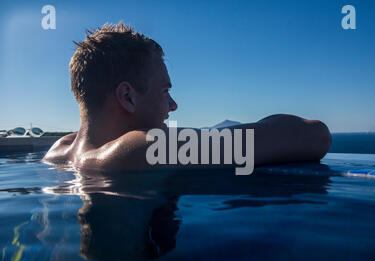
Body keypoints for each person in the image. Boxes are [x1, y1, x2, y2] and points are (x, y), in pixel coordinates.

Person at [43, 22, 332, 171]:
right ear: (128, 97)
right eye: (165, 91)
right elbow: (315, 136)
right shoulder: (138, 149)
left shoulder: (58, 152)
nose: (173, 105)